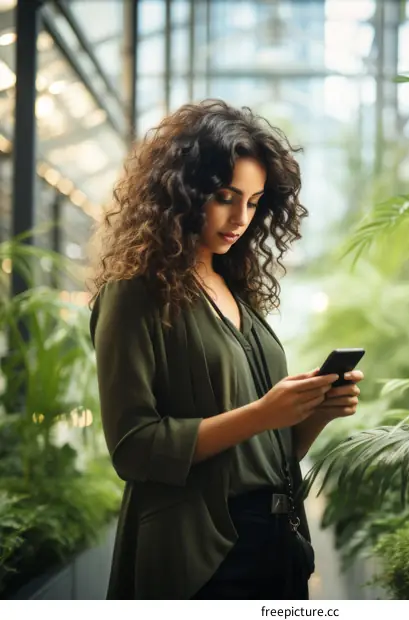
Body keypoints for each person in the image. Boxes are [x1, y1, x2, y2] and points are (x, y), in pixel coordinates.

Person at [89, 99, 364, 600]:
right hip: (198, 555)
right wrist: (262, 413)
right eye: (225, 196)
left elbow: (267, 451)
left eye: (255, 202)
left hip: (277, 542)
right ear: (181, 192)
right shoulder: (134, 295)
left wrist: (314, 413)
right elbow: (132, 448)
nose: (241, 217)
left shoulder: (236, 292)